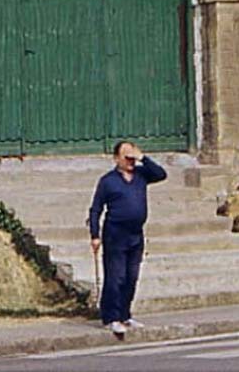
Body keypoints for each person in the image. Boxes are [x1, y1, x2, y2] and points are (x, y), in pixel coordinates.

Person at [88, 139, 167, 338]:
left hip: (136, 234)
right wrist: (95, 235)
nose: (131, 161)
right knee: (116, 277)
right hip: (115, 234)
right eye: (127, 157)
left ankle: (125, 314)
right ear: (116, 158)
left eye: (133, 157)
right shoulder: (108, 181)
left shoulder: (141, 175)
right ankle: (111, 317)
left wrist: (143, 158)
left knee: (131, 276)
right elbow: (96, 209)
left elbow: (161, 174)